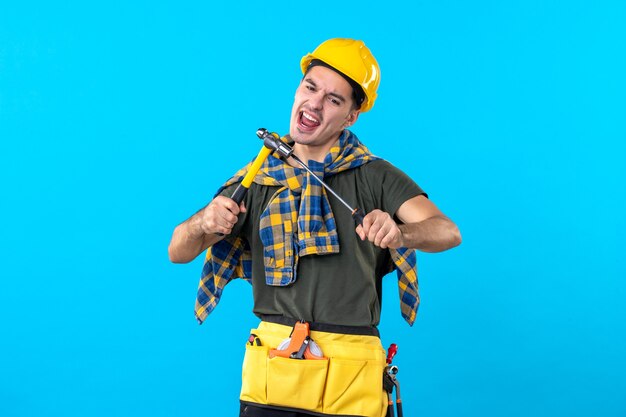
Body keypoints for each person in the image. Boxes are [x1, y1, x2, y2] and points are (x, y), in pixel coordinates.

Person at [168, 38, 461, 417]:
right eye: (310, 87)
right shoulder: (257, 178)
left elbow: (447, 231)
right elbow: (178, 250)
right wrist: (202, 222)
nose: (315, 103)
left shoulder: (375, 177)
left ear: (351, 116)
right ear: (298, 88)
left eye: (334, 99)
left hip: (351, 381)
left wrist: (400, 233)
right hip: (272, 378)